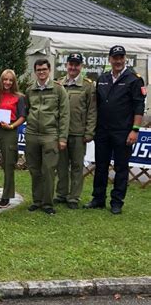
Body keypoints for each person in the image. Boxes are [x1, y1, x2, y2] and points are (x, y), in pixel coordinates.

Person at [85, 45, 146, 214]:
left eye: (121, 57)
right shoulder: (103, 78)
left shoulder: (134, 79)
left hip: (123, 131)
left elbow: (139, 106)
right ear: (110, 59)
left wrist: (135, 130)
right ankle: (98, 198)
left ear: (125, 58)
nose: (118, 61)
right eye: (115, 58)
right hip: (103, 130)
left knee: (121, 167)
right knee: (101, 166)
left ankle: (117, 202)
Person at [25, 59, 70, 215]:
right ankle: (36, 201)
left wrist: (62, 138)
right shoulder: (30, 90)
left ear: (49, 70)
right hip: (32, 134)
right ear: (35, 71)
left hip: (50, 135)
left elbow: (64, 115)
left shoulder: (58, 89)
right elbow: (26, 110)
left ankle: (47, 203)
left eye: (44, 69)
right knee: (34, 170)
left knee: (49, 170)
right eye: (38, 70)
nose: (41, 72)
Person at [55, 53, 96, 209]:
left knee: (77, 166)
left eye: (76, 64)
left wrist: (89, 132)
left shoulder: (87, 86)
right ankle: (61, 194)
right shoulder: (59, 84)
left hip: (79, 133)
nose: (73, 67)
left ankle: (74, 197)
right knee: (61, 165)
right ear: (66, 65)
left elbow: (92, 111)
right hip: (62, 133)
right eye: (71, 64)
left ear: (81, 66)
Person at [0, 69, 26, 207]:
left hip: (9, 132)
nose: (7, 82)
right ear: (1, 80)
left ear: (14, 82)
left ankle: (7, 196)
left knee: (8, 163)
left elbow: (22, 116)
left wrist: (12, 126)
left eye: (10, 80)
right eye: (5, 79)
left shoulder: (19, 97)